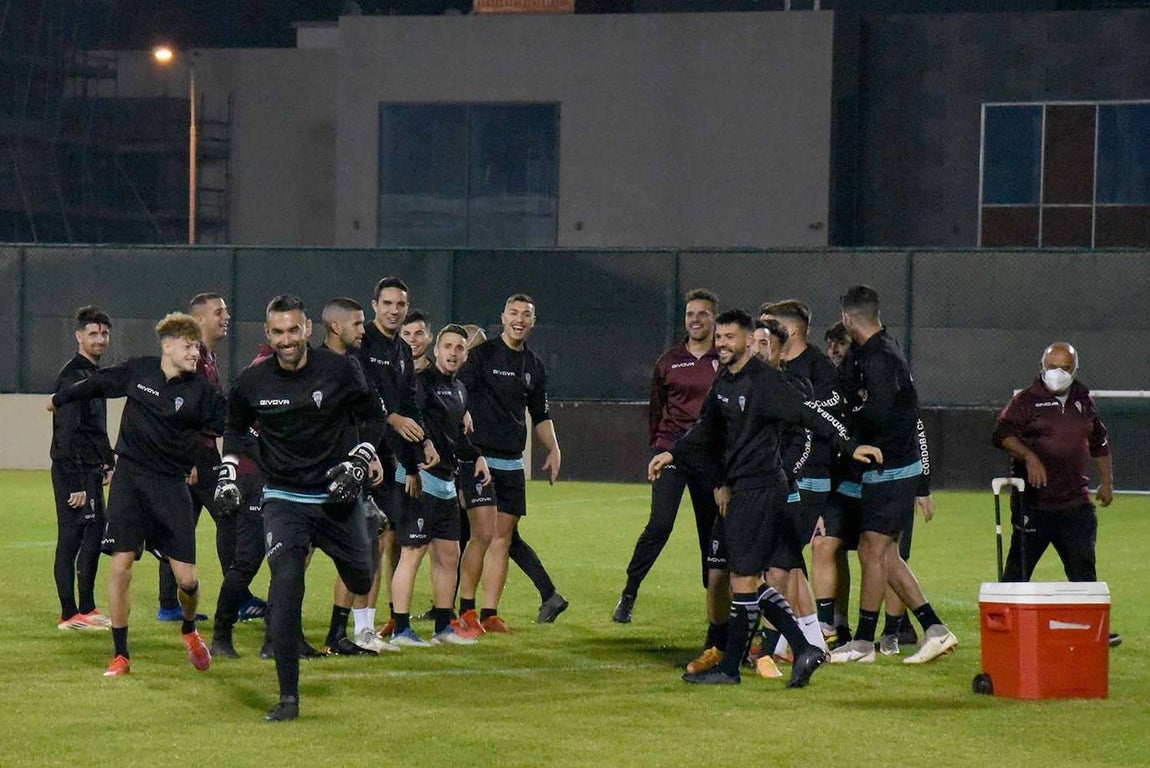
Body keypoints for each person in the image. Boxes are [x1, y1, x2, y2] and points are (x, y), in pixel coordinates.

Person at [649, 309, 882, 687]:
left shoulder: (766, 382)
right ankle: (803, 649)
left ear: (747, 340)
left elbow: (808, 415)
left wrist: (849, 445)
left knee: (745, 578)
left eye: (730, 337)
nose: (722, 343)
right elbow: (705, 429)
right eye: (719, 337)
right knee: (750, 580)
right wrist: (672, 453)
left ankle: (735, 667)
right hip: (744, 490)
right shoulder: (726, 380)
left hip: (761, 491)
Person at [221, 295, 386, 722]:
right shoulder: (252, 382)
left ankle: (360, 546)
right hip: (284, 498)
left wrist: (360, 458)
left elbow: (374, 417)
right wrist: (228, 472)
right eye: (278, 332)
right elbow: (234, 430)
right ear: (267, 334)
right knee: (286, 585)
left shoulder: (340, 370)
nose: (287, 340)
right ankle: (288, 698)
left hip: (336, 497)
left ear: (308, 329)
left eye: (294, 330)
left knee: (361, 576)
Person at [49, 312, 227, 678]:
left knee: (187, 581)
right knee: (121, 566)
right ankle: (121, 655)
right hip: (129, 480)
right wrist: (60, 398)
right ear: (167, 346)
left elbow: (227, 427)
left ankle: (189, 629)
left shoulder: (203, 392)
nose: (194, 353)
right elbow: (95, 384)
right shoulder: (139, 371)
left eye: (197, 347)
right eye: (188, 346)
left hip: (171, 485)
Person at [829, 285, 956, 665]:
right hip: (890, 468)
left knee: (874, 550)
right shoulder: (877, 349)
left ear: (847, 319)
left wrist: (850, 423)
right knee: (881, 552)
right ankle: (932, 629)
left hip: (892, 467)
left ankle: (865, 643)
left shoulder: (880, 358)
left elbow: (879, 414)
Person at [991, 342, 1119, 647]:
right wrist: (1029, 456)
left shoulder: (1083, 399)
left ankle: (1093, 633)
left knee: (1083, 572)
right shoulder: (1026, 401)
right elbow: (1001, 434)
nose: (1057, 373)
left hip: (1075, 503)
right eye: (1052, 367)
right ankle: (1004, 631)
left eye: (1064, 368)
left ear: (1074, 370)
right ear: (1042, 366)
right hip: (1034, 505)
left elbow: (1099, 441)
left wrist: (1106, 481)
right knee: (1017, 573)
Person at [457, 293, 567, 633]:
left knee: (502, 539)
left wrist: (554, 448)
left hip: (512, 464)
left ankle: (490, 614)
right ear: (503, 317)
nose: (519, 319)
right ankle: (466, 612)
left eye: (526, 314)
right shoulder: (481, 355)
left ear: (533, 321)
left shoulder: (534, 365)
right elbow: (457, 393)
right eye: (514, 313)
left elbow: (541, 413)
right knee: (480, 536)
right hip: (480, 461)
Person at [614, 289, 720, 624]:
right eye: (690, 314)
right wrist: (659, 448)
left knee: (710, 531)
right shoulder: (669, 361)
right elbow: (656, 409)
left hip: (709, 457)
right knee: (659, 525)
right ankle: (629, 593)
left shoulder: (723, 359)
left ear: (714, 318)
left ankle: (716, 606)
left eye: (702, 314)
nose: (695, 320)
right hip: (671, 452)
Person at [390, 324, 488, 646]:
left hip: (446, 483)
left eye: (459, 348)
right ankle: (401, 629)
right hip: (420, 482)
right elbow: (405, 426)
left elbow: (455, 435)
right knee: (412, 554)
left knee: (449, 555)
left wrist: (476, 455)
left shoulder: (459, 389)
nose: (453, 353)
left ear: (465, 355)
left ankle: (443, 628)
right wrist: (412, 466)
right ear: (437, 350)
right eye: (448, 346)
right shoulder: (421, 384)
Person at [158, 293, 238, 623]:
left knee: (181, 526)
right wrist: (187, 458)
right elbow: (182, 409)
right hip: (196, 455)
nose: (226, 317)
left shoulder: (208, 357)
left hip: (202, 452)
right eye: (219, 312)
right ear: (200, 320)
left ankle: (169, 604)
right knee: (231, 516)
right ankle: (238, 596)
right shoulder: (192, 359)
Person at [50, 306, 115, 631]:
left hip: (90, 469)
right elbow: (66, 432)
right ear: (79, 336)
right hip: (72, 472)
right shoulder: (72, 376)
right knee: (71, 539)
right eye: (93, 333)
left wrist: (108, 461)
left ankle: (86, 607)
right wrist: (75, 481)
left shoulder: (94, 375)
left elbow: (95, 426)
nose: (100, 339)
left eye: (104, 333)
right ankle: (68, 614)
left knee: (94, 536)